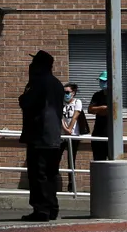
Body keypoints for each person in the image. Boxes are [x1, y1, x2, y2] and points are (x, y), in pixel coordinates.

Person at [18, 50, 65, 221]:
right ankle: (52, 207)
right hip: (54, 137)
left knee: (38, 175)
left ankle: (42, 210)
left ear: (39, 66)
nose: (30, 66)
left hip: (39, 136)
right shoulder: (57, 84)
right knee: (51, 174)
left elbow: (26, 102)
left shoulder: (38, 83)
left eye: (33, 63)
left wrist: (27, 88)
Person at [60, 82, 86, 192]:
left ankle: (71, 184)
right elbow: (60, 116)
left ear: (73, 93)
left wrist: (70, 129)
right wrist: (65, 129)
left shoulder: (77, 102)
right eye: (63, 92)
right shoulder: (60, 103)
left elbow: (75, 116)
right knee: (56, 157)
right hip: (61, 134)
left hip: (74, 134)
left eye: (67, 92)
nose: (65, 94)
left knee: (71, 159)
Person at [87, 72, 110, 162]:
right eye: (101, 81)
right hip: (98, 132)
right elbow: (90, 109)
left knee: (112, 161)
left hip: (110, 134)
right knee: (98, 160)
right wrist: (103, 108)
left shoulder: (115, 95)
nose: (102, 83)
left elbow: (111, 110)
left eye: (104, 81)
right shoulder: (97, 95)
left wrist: (99, 110)